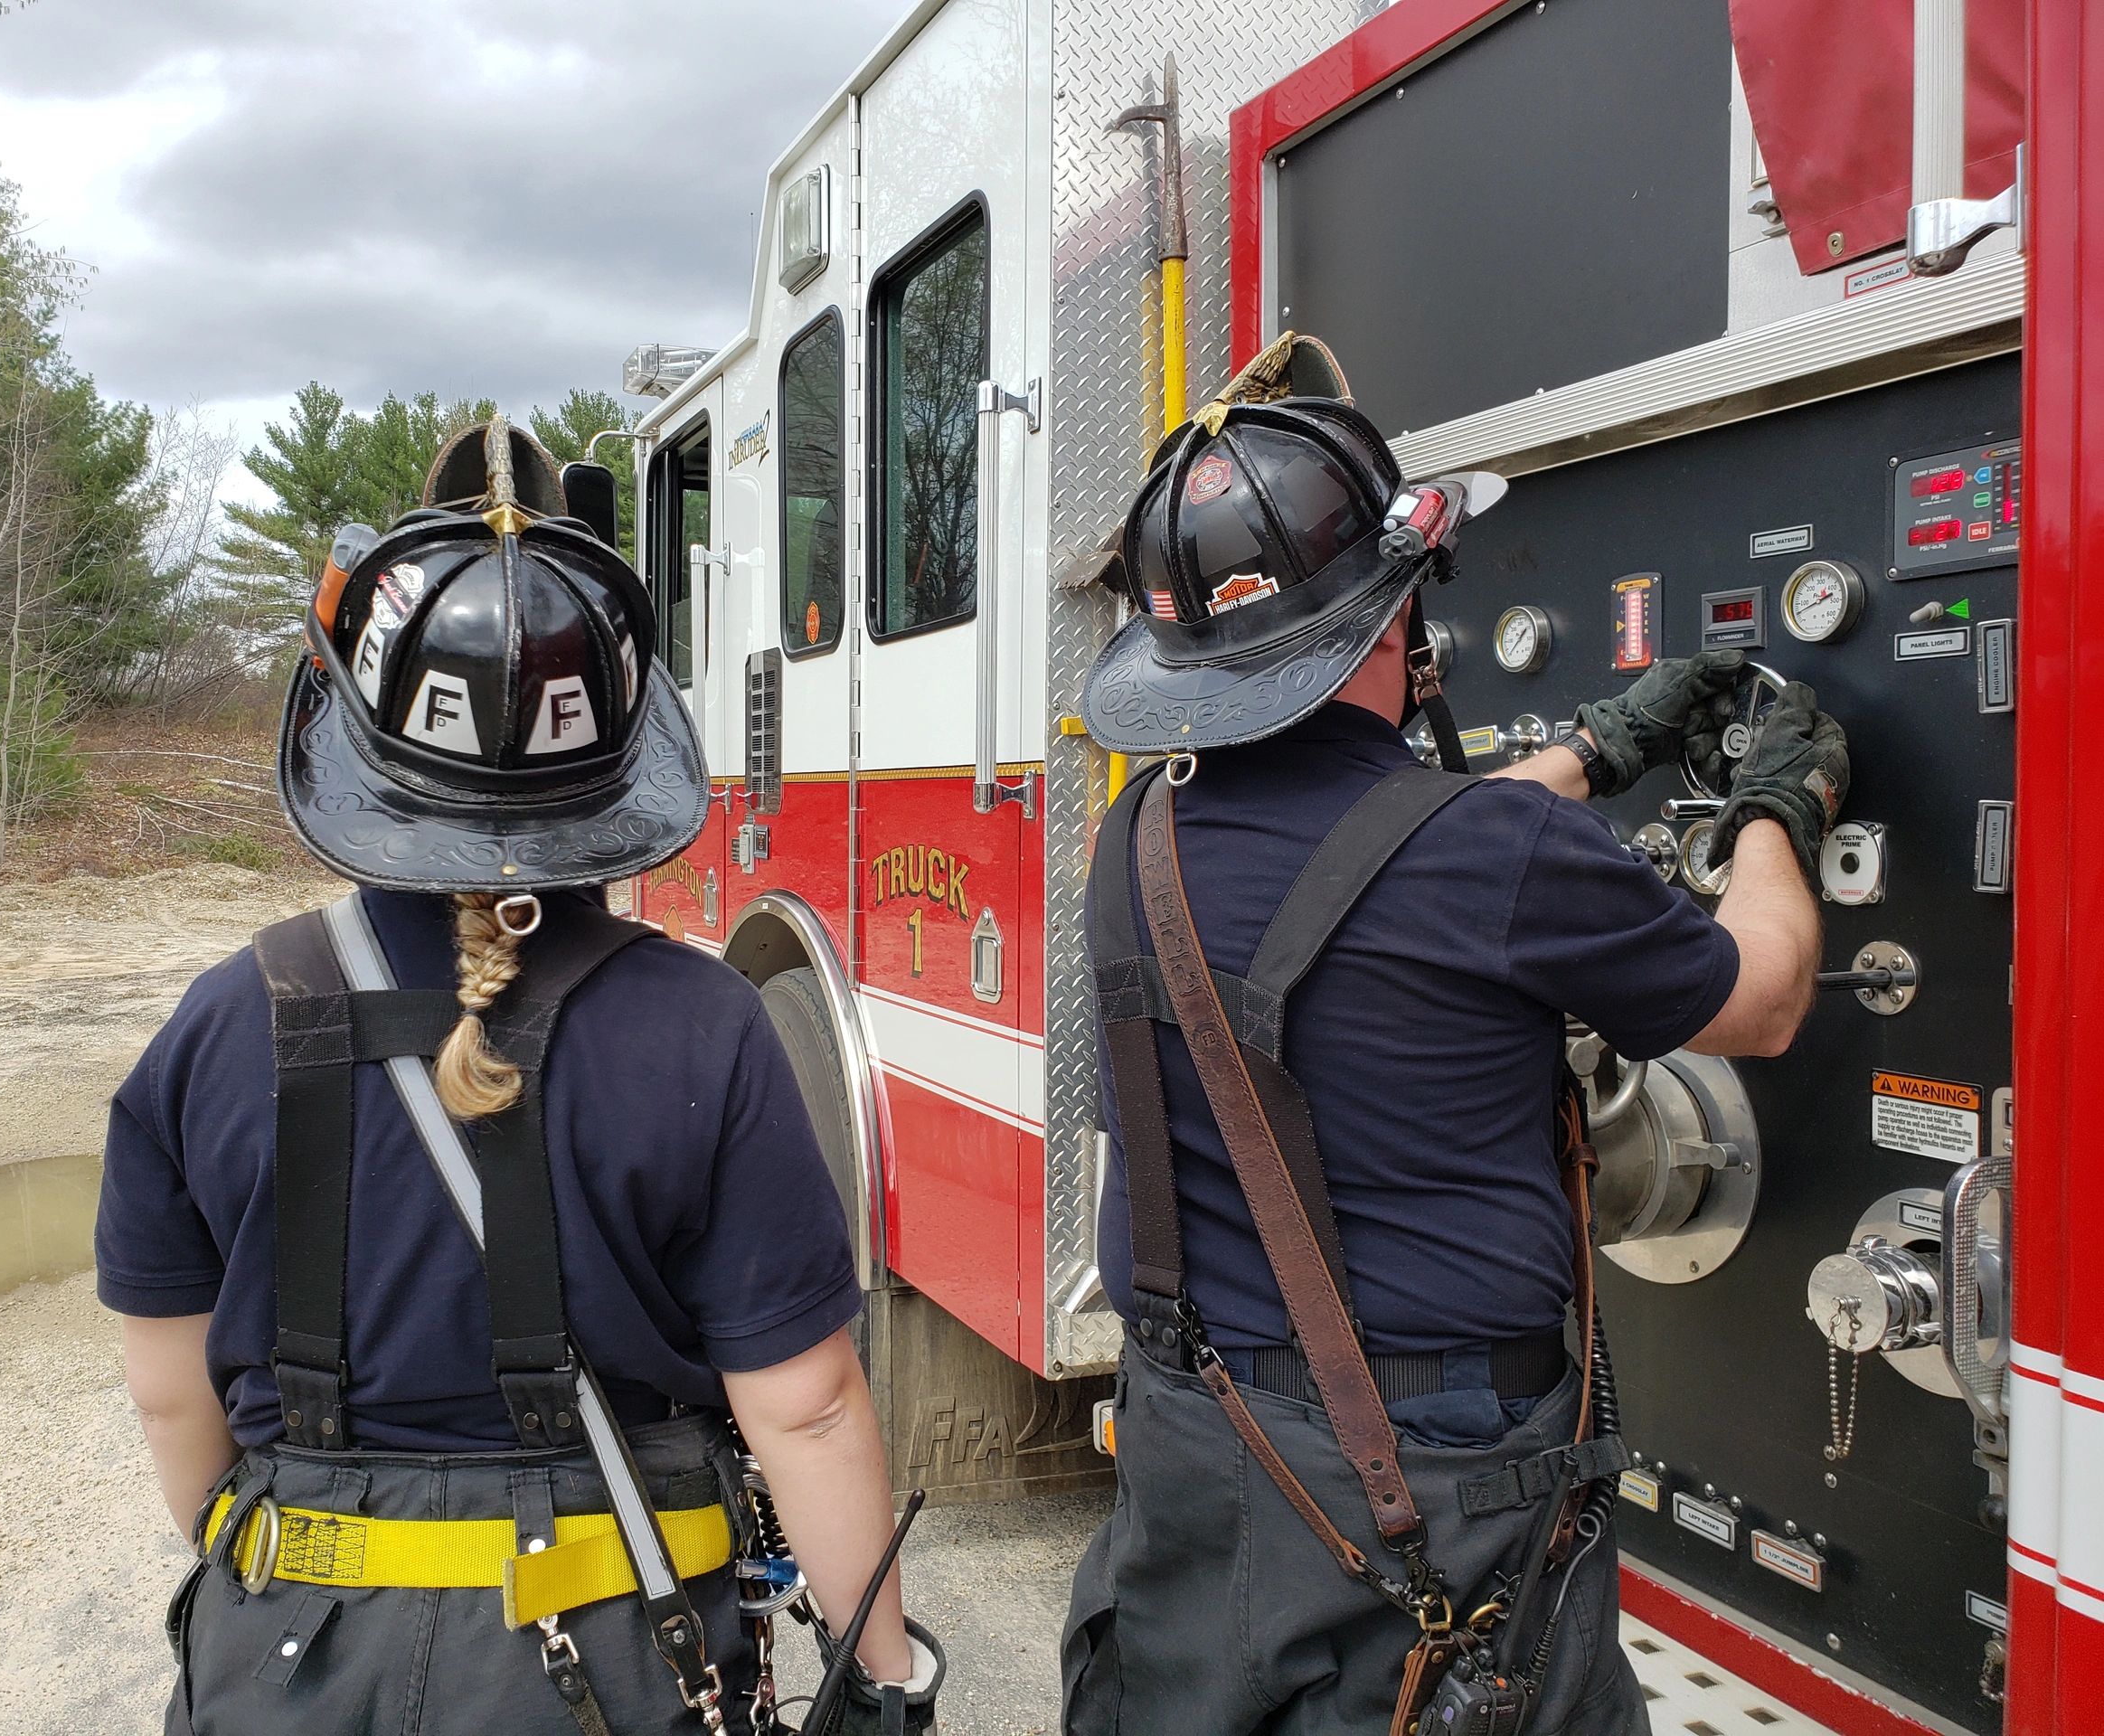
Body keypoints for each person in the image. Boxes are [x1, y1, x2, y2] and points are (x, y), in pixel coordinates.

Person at [99, 419, 940, 1734]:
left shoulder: (218, 1025)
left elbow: (170, 1395)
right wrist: (886, 1682)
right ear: (616, 757)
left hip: (297, 1662)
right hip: (612, 1662)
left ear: (359, 746)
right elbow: (812, 1409)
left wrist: (271, 1573)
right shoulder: (709, 1031)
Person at [1061, 337, 1845, 1735]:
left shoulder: (1136, 841)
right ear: (1392, 625)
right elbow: (1765, 993)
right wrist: (1779, 808)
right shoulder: (1503, 857)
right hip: (1432, 1493)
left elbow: (1387, 860)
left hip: (1193, 1459)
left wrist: (1597, 750)